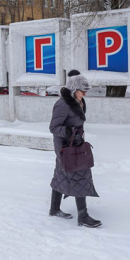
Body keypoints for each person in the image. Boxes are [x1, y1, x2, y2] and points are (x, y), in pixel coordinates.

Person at [48, 70, 102, 228]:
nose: (85, 93)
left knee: (60, 175)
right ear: (73, 89)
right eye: (82, 90)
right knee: (80, 175)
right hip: (65, 147)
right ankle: (83, 217)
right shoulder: (62, 104)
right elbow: (53, 127)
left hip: (75, 144)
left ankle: (54, 209)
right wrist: (68, 131)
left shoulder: (78, 101)